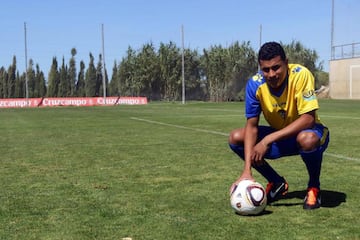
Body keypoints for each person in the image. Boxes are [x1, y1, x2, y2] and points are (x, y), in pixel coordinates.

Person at [228, 41, 330, 210]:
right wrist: (247, 171)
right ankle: (276, 183)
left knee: (308, 138)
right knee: (236, 137)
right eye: (266, 69)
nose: (271, 74)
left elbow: (308, 119)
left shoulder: (300, 75)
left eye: (276, 67)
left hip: (312, 132)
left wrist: (267, 140)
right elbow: (251, 127)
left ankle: (313, 187)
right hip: (282, 138)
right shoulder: (255, 84)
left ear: (286, 63)